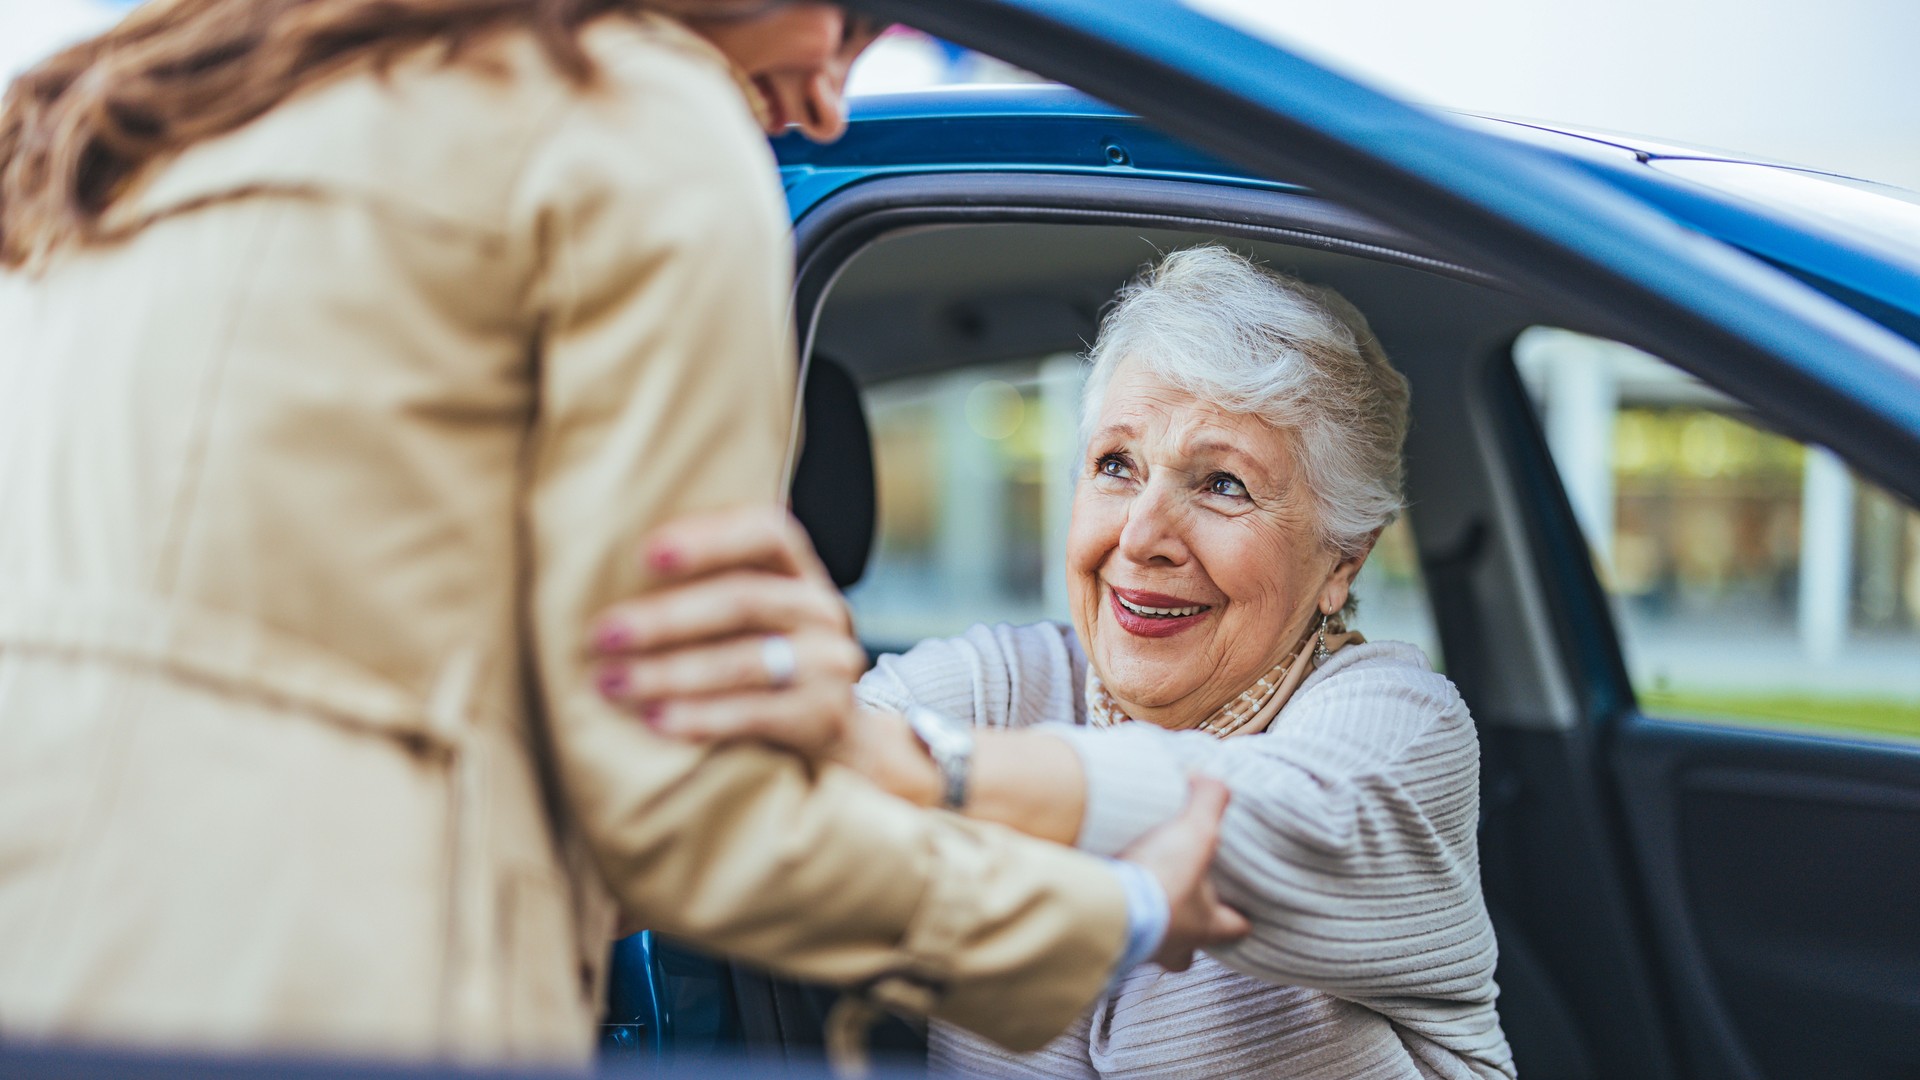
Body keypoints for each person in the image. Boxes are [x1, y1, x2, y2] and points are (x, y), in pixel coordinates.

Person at [0, 1, 1245, 1064]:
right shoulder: (635, 121)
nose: (824, 99)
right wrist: (1115, 914)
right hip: (322, 1005)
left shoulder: (147, 114)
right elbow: (684, 816)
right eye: (852, 20)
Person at [596, 246, 1518, 1078]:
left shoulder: (1402, 725)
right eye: (1117, 465)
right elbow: (710, 813)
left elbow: (1256, 823)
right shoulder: (1007, 685)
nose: (1143, 534)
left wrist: (924, 771)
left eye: (1222, 483)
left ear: (1341, 563)